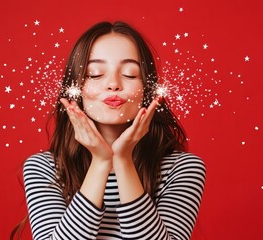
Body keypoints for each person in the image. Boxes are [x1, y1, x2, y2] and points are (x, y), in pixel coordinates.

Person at [22, 21, 206, 240]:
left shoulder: (182, 168)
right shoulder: (45, 168)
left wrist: (123, 160)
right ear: (75, 88)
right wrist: (100, 162)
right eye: (95, 74)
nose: (113, 84)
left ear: (147, 88)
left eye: (129, 74)